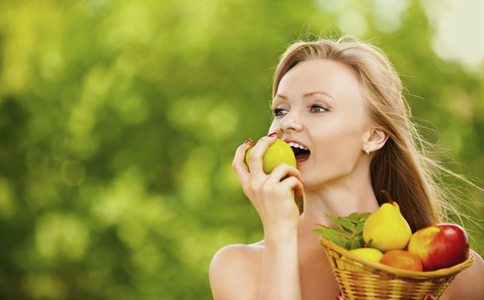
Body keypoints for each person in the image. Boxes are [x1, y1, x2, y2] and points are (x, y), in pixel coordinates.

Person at [209, 36, 484, 300]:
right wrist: (280, 231)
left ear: (374, 136)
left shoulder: (451, 271)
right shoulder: (239, 266)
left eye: (317, 107)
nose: (286, 123)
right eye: (280, 110)